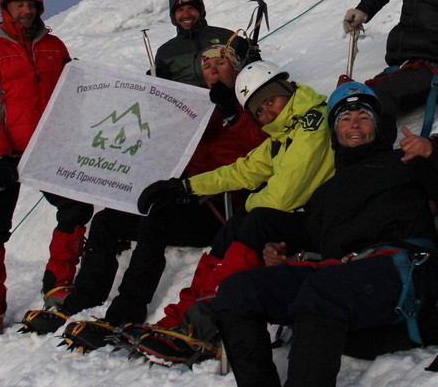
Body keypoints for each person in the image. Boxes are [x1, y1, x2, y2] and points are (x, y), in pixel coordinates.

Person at [211, 82, 438, 387]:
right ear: (334, 131)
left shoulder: (406, 161)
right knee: (236, 290)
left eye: (363, 116)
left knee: (325, 285)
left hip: (404, 271)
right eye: (344, 118)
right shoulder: (325, 193)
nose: (354, 123)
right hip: (344, 280)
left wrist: (433, 153)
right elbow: (318, 245)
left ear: (376, 127)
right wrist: (280, 255)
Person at [41, 44, 267, 335]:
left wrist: (232, 115)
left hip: (220, 209)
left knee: (155, 225)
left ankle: (127, 310)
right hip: (185, 197)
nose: (213, 70)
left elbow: (265, 147)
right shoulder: (195, 106)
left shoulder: (250, 105)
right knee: (106, 222)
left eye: (221, 64)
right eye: (207, 65)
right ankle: (86, 297)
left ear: (235, 69)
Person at [135, 60, 335, 333]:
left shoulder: (314, 123)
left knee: (254, 220)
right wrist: (185, 187)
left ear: (284, 89)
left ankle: (207, 322)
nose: (267, 115)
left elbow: (285, 196)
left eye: (270, 102)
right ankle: (181, 317)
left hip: (324, 223)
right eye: (260, 112)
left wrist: (248, 206)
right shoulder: (284, 132)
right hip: (297, 219)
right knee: (231, 230)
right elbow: (245, 170)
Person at [0, 0, 94, 346]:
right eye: (18, 5)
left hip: (49, 149)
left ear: (40, 8)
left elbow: (74, 90)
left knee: (75, 209)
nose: (26, 11)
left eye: (32, 5)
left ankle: (58, 284)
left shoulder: (55, 48)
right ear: (5, 9)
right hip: (7, 154)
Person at [154, 0, 252, 86]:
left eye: (191, 8)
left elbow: (250, 76)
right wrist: (155, 81)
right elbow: (161, 94)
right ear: (173, 15)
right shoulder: (165, 52)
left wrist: (251, 58)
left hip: (228, 100)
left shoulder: (227, 37)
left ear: (200, 10)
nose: (186, 14)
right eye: (180, 10)